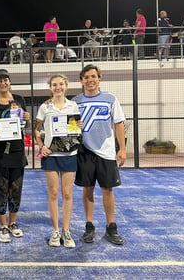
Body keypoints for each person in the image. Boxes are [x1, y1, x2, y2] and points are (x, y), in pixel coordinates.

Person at [72, 64, 126, 246]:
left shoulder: (110, 99)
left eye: (93, 76)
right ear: (82, 81)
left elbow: (119, 123)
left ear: (99, 79)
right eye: (86, 77)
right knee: (87, 189)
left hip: (107, 153)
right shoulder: (75, 101)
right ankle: (89, 226)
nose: (90, 80)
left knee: (107, 190)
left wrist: (123, 148)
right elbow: (69, 124)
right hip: (84, 152)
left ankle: (111, 226)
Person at [0, 69, 31, 243]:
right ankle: (3, 225)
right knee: (1, 188)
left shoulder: (19, 100)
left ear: (9, 81)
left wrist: (27, 117)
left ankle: (13, 223)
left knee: (16, 189)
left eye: (5, 80)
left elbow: (25, 123)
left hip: (17, 151)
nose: (3, 83)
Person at [34, 74, 81, 248]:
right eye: (54, 85)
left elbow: (74, 128)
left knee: (67, 193)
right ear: (50, 87)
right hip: (51, 156)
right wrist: (41, 145)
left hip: (69, 155)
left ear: (66, 86)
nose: (58, 87)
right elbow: (36, 130)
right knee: (54, 193)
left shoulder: (73, 105)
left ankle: (66, 231)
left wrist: (78, 127)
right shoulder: (45, 107)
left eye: (61, 84)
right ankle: (55, 231)